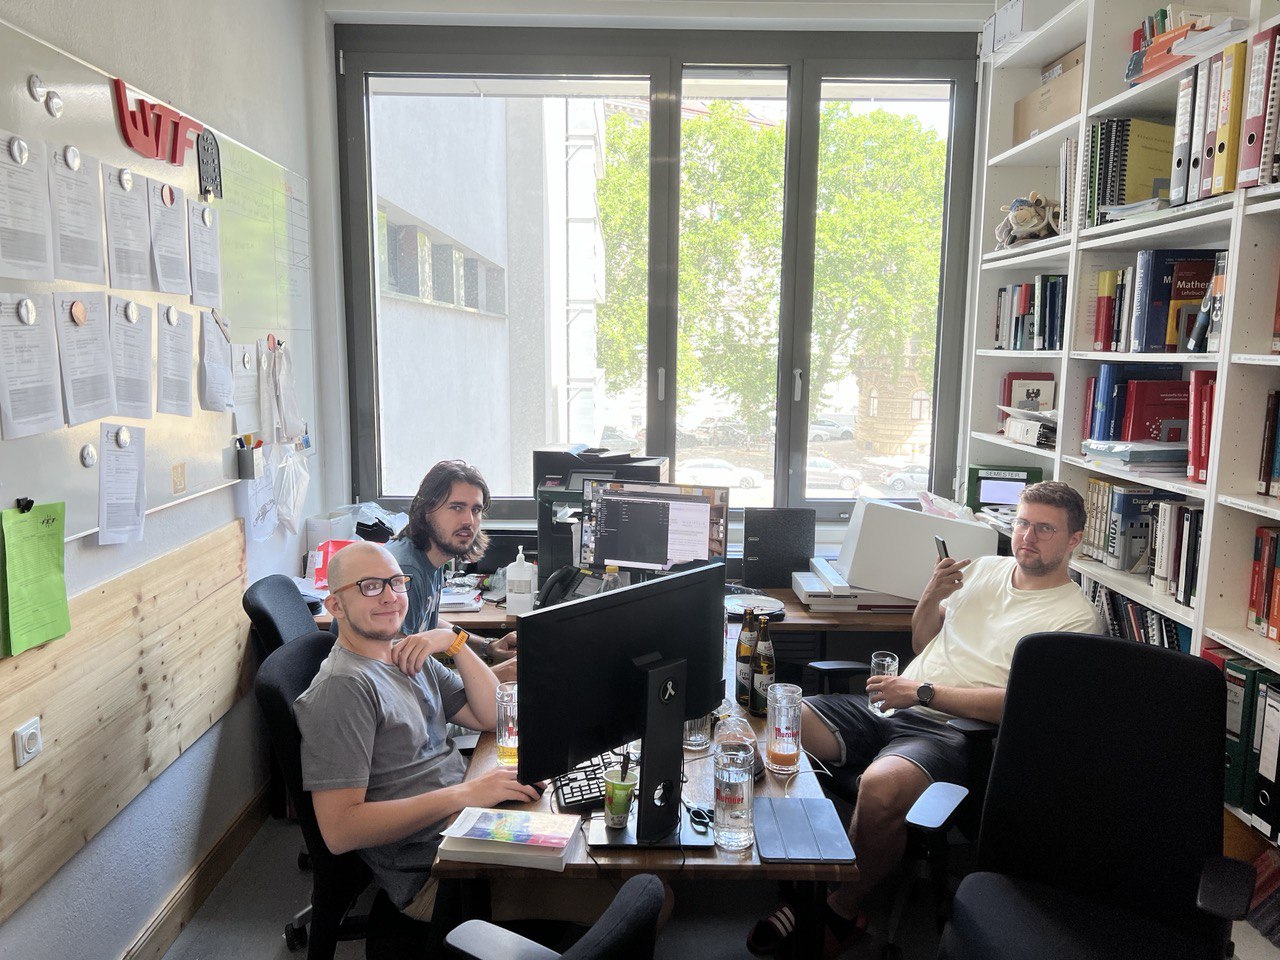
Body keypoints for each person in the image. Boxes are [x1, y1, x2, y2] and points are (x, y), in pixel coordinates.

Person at [748, 481, 1102, 957]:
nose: (1027, 536)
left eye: (1044, 529)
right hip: (895, 704)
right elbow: (921, 642)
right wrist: (931, 594)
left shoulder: (1076, 620)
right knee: (777, 724)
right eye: (1022, 523)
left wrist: (922, 692)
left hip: (952, 731)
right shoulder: (984, 569)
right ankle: (800, 882)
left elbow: (1022, 704)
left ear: (1074, 539)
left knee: (879, 788)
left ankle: (839, 908)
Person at [295, 541, 540, 921]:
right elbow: (340, 831)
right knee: (623, 891)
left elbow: (489, 716)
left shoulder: (406, 655)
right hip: (437, 873)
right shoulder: (343, 689)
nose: (390, 597)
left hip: (466, 822)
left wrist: (454, 642)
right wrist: (468, 793)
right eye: (370, 586)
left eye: (396, 582)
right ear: (336, 606)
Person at [386, 459, 518, 682]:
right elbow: (398, 678)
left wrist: (488, 646)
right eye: (457, 507)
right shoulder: (407, 572)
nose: (469, 520)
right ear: (427, 511)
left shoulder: (431, 556)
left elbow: (429, 621)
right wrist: (492, 676)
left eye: (476, 510)